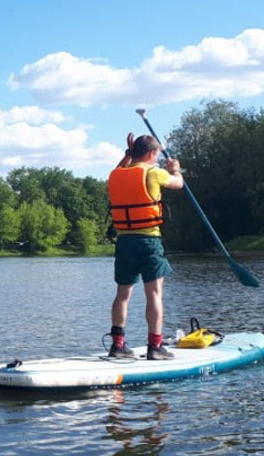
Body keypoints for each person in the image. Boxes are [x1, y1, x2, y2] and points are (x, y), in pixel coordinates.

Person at [106, 133, 184, 360]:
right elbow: (179, 184)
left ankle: (118, 345)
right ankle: (155, 347)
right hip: (149, 240)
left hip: (124, 242)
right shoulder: (153, 172)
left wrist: (128, 154)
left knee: (122, 295)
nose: (157, 158)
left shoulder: (115, 174)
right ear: (151, 154)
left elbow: (123, 166)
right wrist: (176, 168)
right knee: (154, 294)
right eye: (156, 155)